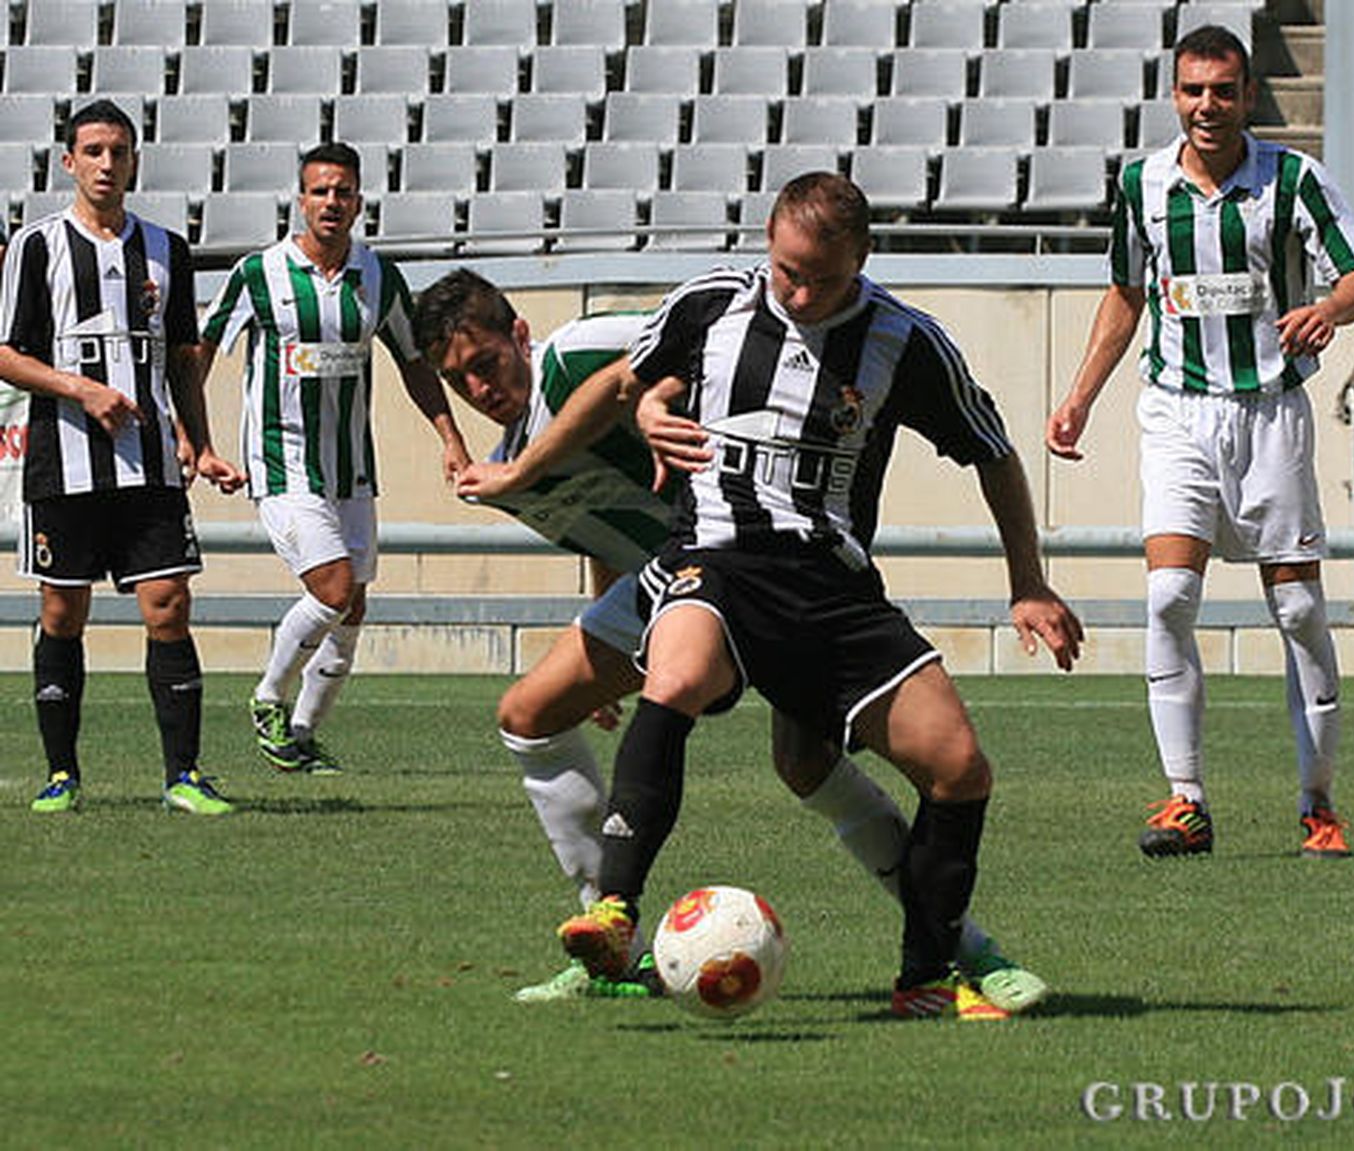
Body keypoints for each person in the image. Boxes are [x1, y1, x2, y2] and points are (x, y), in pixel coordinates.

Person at [411, 268, 1050, 1010]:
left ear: (520, 334)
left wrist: (641, 403)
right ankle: (608, 939)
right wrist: (607, 627)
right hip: (673, 583)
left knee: (808, 762)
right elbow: (612, 526)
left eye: (485, 363)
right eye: (460, 381)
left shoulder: (578, 353)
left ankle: (966, 949)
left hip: (771, 562)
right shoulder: (512, 457)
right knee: (529, 714)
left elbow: (682, 354)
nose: (480, 388)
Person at [554, 173, 1084, 1021]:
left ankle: (926, 978)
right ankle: (614, 911)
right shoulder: (711, 302)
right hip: (716, 558)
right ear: (767, 241)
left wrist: (1028, 581)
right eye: (785, 270)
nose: (797, 293)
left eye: (821, 279)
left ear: (862, 261)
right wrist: (637, 414)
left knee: (958, 766)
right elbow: (633, 379)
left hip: (830, 588)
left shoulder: (904, 342)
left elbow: (991, 449)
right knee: (676, 676)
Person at [1046, 26, 1354, 859]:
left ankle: (1318, 801)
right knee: (1168, 598)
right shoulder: (1143, 185)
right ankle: (1185, 799)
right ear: (1175, 95)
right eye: (1193, 90)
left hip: (1268, 412)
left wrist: (1326, 311)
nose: (1207, 106)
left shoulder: (1292, 180)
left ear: (1247, 94)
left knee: (1297, 608)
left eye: (1222, 91)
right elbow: (1126, 294)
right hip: (1176, 411)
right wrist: (1079, 397)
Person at [0, 99, 246, 815]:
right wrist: (81, 389)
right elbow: (7, 354)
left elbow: (180, 358)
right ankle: (61, 774)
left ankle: (184, 775)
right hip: (64, 459)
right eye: (94, 151)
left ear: (134, 160)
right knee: (61, 610)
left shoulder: (168, 248)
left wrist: (199, 442)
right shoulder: (36, 247)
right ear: (69, 161)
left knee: (169, 606)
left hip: (151, 466)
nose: (108, 164)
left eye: (120, 151)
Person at [196, 142, 469, 774]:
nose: (331, 202)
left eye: (342, 192)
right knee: (334, 588)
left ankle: (301, 733)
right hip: (281, 460)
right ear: (301, 199)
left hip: (351, 468)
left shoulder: (377, 276)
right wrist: (197, 439)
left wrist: (451, 440)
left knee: (355, 604)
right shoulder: (259, 273)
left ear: (358, 202)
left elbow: (414, 364)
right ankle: (267, 696)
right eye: (320, 191)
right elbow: (200, 353)